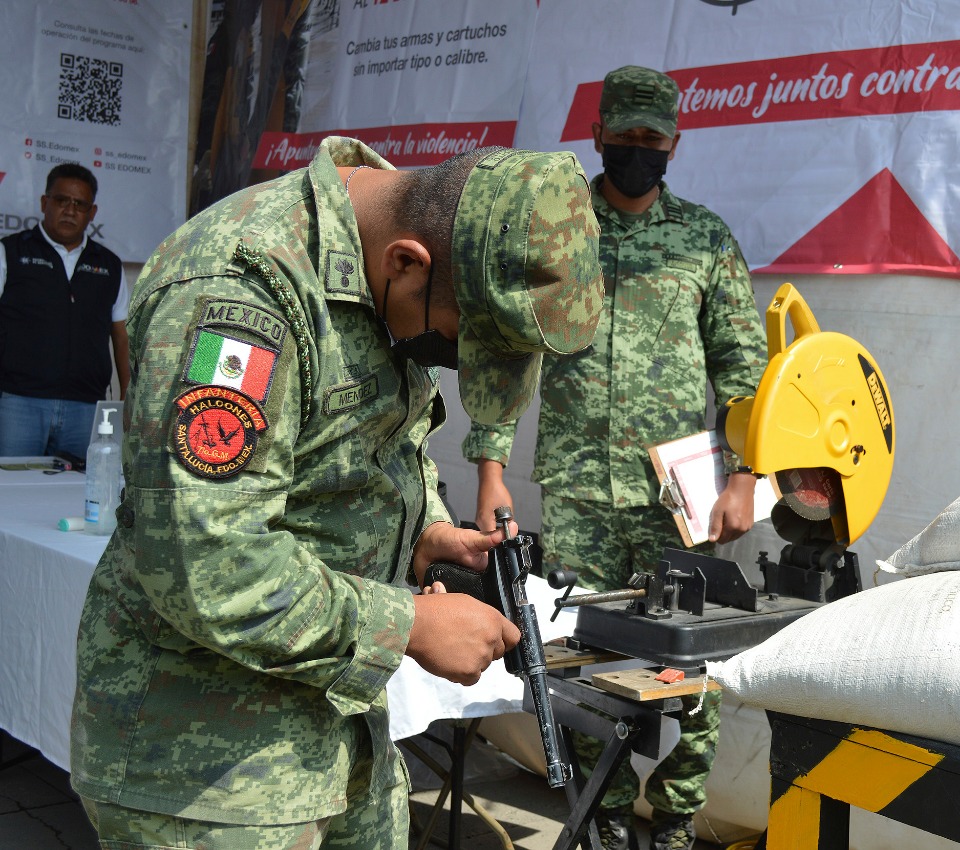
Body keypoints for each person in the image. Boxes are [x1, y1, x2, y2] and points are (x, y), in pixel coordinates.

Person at [69, 137, 604, 849]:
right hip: (210, 777)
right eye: (453, 345)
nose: (447, 362)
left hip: (342, 738)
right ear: (406, 263)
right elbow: (203, 560)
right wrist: (407, 626)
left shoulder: (397, 270)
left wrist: (423, 531)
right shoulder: (238, 288)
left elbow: (362, 452)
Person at [465, 66, 768, 850]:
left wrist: (748, 476)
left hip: (680, 500)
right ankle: (598, 823)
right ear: (597, 136)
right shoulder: (560, 237)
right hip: (577, 493)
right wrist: (491, 469)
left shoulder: (704, 240)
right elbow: (508, 353)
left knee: (697, 673)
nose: (638, 151)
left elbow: (743, 368)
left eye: (652, 139)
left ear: (674, 142)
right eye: (624, 137)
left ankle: (671, 826)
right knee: (589, 668)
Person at [0, 162, 129, 459]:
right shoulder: (11, 252)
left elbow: (122, 337)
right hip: (19, 403)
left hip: (87, 408)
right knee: (11, 495)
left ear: (91, 213)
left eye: (80, 204)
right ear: (45, 203)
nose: (70, 210)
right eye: (61, 201)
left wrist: (126, 397)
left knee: (81, 498)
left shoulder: (109, 265)